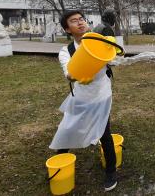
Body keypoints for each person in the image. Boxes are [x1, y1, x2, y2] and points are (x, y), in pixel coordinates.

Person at [49, 10, 118, 191]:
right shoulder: (67, 51)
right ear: (67, 29)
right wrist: (76, 75)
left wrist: (111, 47)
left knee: (104, 132)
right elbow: (68, 72)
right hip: (80, 95)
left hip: (101, 94)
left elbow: (116, 60)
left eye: (81, 19)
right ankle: (59, 162)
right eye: (74, 21)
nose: (80, 23)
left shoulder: (98, 41)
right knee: (69, 126)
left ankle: (111, 172)